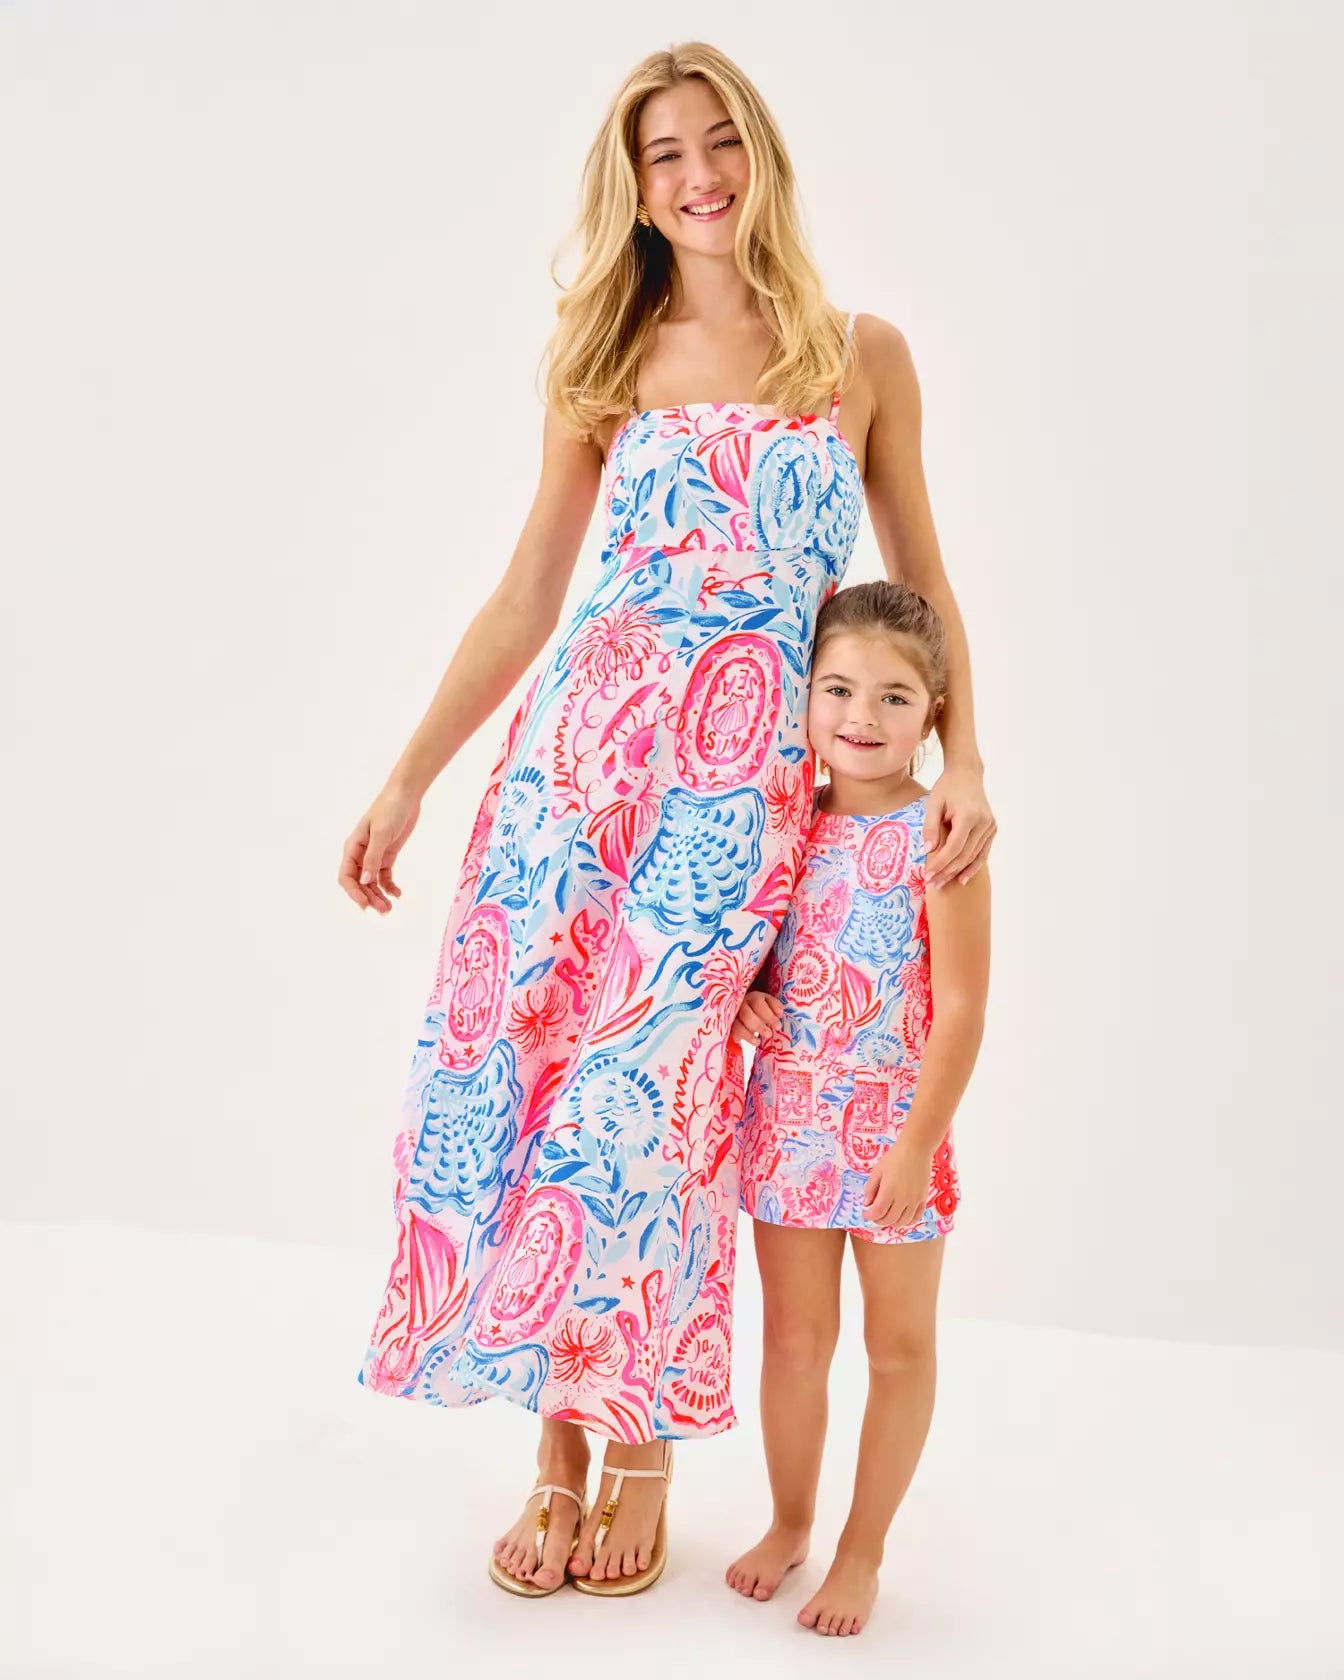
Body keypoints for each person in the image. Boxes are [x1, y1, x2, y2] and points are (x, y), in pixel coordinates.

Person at [338, 42, 996, 1599]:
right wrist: (410, 774)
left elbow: (923, 580)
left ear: (761, 154)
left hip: (739, 801)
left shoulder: (860, 356)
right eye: (664, 155)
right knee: (542, 1082)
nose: (699, 176)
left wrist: (965, 759)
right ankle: (556, 1453)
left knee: (652, 1103)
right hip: (578, 776)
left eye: (720, 142)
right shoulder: (606, 355)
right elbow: (528, 598)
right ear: (634, 189)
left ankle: (638, 1443)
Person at [723, 579, 991, 1635]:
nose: (860, 716)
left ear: (933, 714)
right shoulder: (782, 822)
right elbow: (747, 949)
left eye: (893, 697)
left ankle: (861, 1549)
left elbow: (962, 1005)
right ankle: (790, 1522)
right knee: (794, 1341)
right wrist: (746, 993)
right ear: (805, 696)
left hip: (895, 1130)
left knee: (898, 1348)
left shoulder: (941, 833)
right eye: (837, 689)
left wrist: (919, 1143)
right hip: (788, 1121)